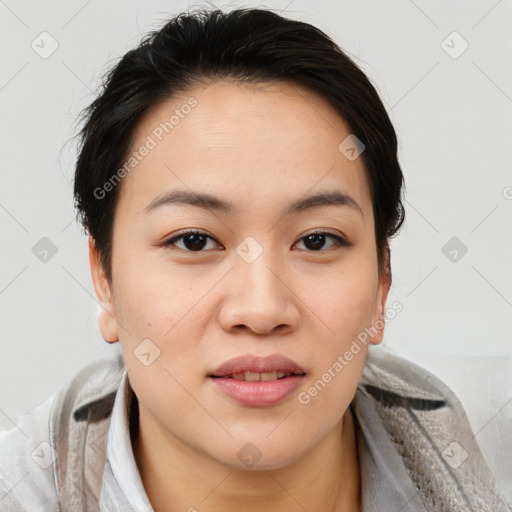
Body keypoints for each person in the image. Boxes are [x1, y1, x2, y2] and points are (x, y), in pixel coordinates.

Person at [0, 7, 508, 512]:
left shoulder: (494, 446)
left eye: (316, 241)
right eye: (195, 241)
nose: (262, 310)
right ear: (104, 277)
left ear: (382, 284)